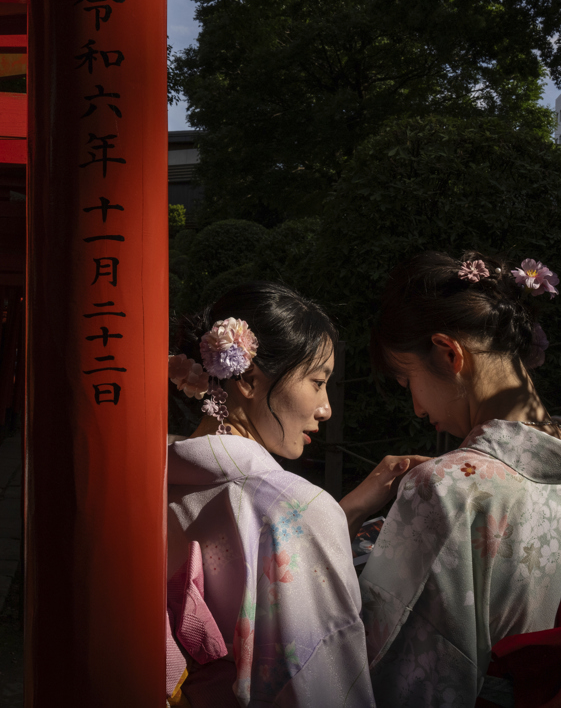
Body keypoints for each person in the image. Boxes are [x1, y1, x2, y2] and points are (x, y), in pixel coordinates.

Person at [357, 252, 561, 707]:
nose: (418, 410)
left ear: (449, 353)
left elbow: (390, 665)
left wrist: (357, 537)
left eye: (408, 383)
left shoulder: (446, 488)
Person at [167, 281, 401, 707]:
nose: (326, 407)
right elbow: (323, 673)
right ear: (250, 381)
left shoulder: (158, 476)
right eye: (317, 381)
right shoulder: (293, 508)